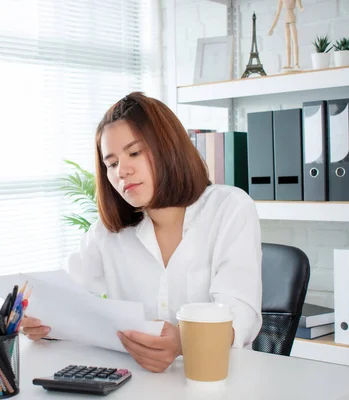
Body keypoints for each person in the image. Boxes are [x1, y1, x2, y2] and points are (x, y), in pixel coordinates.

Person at [21, 92, 263, 373]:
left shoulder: (229, 208)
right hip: (136, 383)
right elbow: (65, 292)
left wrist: (185, 341)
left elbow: (241, 316)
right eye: (111, 164)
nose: (122, 171)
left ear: (168, 148)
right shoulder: (109, 231)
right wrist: (42, 321)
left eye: (134, 153)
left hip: (218, 380)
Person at [268, 0, 304, 70]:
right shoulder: (281, 0)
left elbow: (300, 6)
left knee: (295, 42)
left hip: (292, 20)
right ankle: (288, 64)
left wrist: (301, 8)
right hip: (286, 21)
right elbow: (277, 14)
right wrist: (272, 28)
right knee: (287, 44)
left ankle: (296, 63)